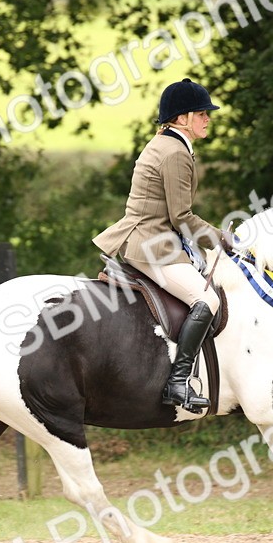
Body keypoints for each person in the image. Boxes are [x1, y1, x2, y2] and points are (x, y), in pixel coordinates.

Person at [93, 78, 224, 413]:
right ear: (182, 118)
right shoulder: (174, 153)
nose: (207, 118)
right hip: (151, 244)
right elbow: (182, 217)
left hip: (149, 236)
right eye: (201, 113)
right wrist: (222, 239)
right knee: (207, 299)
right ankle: (178, 382)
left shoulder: (167, 144)